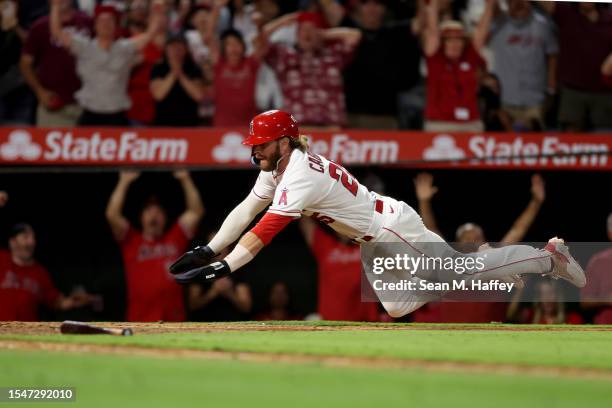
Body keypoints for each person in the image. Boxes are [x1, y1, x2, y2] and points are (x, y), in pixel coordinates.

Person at [168, 110, 586, 319]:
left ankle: (549, 256)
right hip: (373, 236)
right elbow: (246, 210)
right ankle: (493, 268)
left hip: (390, 227)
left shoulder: (297, 175)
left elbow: (265, 231)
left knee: (459, 271)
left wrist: (224, 267)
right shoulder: (282, 166)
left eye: (261, 143)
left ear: (283, 141)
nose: (253, 149)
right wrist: (209, 248)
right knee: (398, 305)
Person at [411, 172, 546, 323]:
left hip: (491, 337)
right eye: (466, 237)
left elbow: (517, 231)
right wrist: (424, 202)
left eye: (476, 237)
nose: (471, 239)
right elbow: (431, 231)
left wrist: (536, 202)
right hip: (451, 336)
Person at [105, 170, 204, 322]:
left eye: (158, 212)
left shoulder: (175, 237)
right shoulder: (131, 239)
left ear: (165, 218)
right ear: (141, 218)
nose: (154, 215)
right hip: (140, 319)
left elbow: (195, 212)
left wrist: (185, 178)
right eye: (149, 211)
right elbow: (112, 214)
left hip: (173, 318)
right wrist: (124, 181)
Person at [49, 0, 163, 125]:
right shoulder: (83, 46)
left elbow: (151, 33)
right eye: (102, 21)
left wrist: (157, 11)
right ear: (95, 25)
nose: (105, 24)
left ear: (115, 25)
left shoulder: (125, 47)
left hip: (116, 114)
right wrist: (55, 6)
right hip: (90, 113)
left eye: (110, 21)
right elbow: (57, 32)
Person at [261, 12, 362, 127]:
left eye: (312, 29)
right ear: (296, 35)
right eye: (303, 30)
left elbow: (355, 35)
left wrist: (324, 34)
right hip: (298, 127)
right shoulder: (285, 56)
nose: (308, 33)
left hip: (331, 126)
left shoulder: (333, 55)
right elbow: (259, 40)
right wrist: (283, 21)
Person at [478, 0, 558, 131]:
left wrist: (551, 88)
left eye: (522, 1)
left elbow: (552, 56)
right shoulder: (498, 23)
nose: (518, 4)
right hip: (504, 100)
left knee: (535, 145)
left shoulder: (543, 25)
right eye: (513, 1)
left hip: (535, 99)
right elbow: (479, 42)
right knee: (504, 145)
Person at [341, 0, 421, 129]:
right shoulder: (347, 29)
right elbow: (328, 7)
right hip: (351, 116)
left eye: (377, 4)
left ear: (384, 9)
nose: (372, 8)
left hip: (385, 117)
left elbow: (422, 23)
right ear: (359, 7)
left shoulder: (397, 32)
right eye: (366, 3)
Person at [539, 1, 612, 131]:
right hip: (572, 92)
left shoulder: (609, 19)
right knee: (570, 140)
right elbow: (545, 3)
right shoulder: (566, 14)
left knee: (604, 138)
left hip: (604, 93)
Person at [20, 0, 92, 127]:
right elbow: (25, 64)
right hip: (54, 106)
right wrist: (40, 91)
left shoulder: (88, 22)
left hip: (87, 106)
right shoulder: (40, 27)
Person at [0, 223, 91, 321]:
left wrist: (75, 301)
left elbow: (58, 302)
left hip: (26, 333)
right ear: (12, 242)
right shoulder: (2, 258)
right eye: (26, 237)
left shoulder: (40, 272)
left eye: (33, 238)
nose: (31, 242)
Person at [422, 0, 488, 132]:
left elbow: (482, 29)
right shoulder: (435, 59)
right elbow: (433, 29)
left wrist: (490, 4)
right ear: (442, 42)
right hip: (440, 124)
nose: (454, 44)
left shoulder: (470, 57)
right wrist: (433, 5)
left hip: (470, 123)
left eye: (458, 40)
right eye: (449, 40)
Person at [299, 217, 378, 321]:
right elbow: (305, 221)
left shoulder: (368, 247)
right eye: (340, 223)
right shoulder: (325, 246)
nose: (344, 227)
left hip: (364, 322)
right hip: (331, 322)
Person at [187, 232, 252, 321]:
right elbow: (192, 305)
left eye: (221, 245)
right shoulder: (199, 272)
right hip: (204, 324)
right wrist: (213, 292)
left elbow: (246, 307)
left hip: (233, 324)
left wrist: (229, 293)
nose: (218, 250)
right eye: (213, 246)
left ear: (227, 246)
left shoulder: (237, 270)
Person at [150, 32, 204, 126]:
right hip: (163, 125)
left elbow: (198, 95)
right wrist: (173, 73)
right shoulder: (158, 68)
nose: (176, 49)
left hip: (189, 125)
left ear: (186, 49)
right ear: (166, 49)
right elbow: (158, 94)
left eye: (179, 45)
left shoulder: (194, 68)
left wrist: (181, 75)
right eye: (172, 46)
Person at [580, 213, 612, 324]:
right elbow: (584, 301)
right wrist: (607, 300)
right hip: (606, 333)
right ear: (610, 234)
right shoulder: (598, 261)